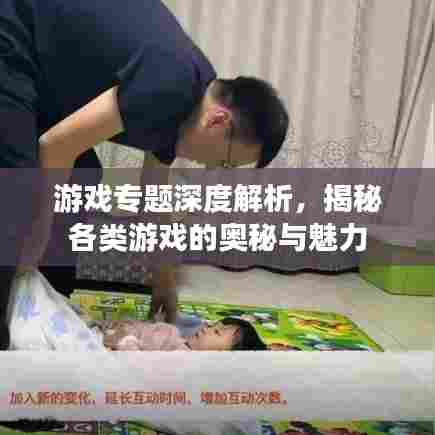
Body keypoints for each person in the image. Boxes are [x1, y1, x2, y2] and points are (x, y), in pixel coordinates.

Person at [0, 0, 289, 351]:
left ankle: (50, 305)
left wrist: (163, 278)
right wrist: (39, 233)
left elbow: (154, 193)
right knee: (20, 186)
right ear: (218, 121)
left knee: (84, 175)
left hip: (46, 69)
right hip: (14, 35)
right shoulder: (171, 86)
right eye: (227, 161)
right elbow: (54, 145)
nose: (214, 168)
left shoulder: (188, 104)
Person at [100, 316, 268, 351]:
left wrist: (126, 342)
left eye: (216, 332)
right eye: (212, 326)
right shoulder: (176, 336)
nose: (206, 329)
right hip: (115, 332)